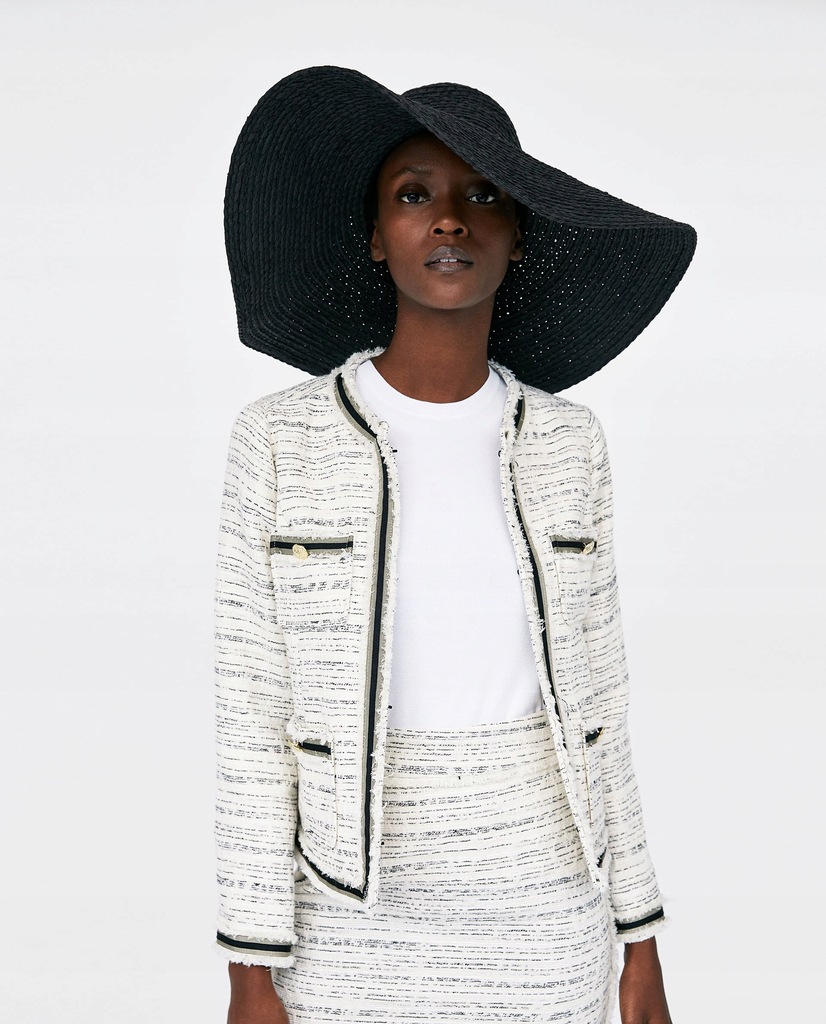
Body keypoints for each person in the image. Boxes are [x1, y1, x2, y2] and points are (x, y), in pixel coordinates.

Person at [214, 66, 696, 1024]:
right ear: (375, 235)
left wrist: (638, 939)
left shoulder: (568, 442)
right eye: (413, 194)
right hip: (347, 909)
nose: (448, 219)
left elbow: (602, 703)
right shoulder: (278, 440)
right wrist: (249, 966)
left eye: (482, 196)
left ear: (517, 236)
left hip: (548, 900)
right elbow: (251, 714)